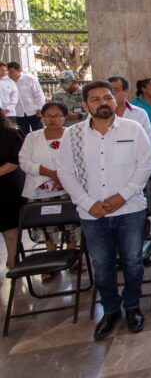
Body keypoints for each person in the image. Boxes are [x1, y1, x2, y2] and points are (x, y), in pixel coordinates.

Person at [56, 81, 151, 340]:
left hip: (129, 209)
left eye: (107, 98)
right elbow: (65, 172)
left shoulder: (133, 129)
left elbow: (144, 166)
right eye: (96, 99)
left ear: (116, 100)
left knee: (133, 262)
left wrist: (122, 196)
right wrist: (88, 203)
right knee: (102, 265)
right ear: (86, 104)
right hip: (92, 214)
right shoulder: (73, 135)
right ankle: (110, 310)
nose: (103, 103)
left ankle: (132, 306)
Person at [18, 101, 81, 281]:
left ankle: (73, 259)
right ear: (42, 117)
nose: (53, 119)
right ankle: (51, 263)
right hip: (42, 190)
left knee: (72, 226)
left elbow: (80, 159)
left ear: (65, 117)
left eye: (57, 116)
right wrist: (50, 174)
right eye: (48, 116)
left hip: (69, 188)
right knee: (48, 227)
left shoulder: (73, 135)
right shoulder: (32, 137)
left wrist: (64, 176)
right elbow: (24, 161)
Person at [0, 111, 24, 270]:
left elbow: (17, 160)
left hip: (8, 187)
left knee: (10, 228)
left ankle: (13, 261)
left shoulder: (11, 133)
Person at [108, 76, 151, 145]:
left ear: (126, 92)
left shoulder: (140, 114)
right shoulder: (98, 114)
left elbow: (148, 142)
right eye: (108, 91)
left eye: (115, 90)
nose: (111, 94)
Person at [7, 62, 45, 136]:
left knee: (38, 133)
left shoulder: (30, 79)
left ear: (19, 70)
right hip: (19, 114)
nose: (10, 74)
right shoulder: (7, 83)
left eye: (12, 72)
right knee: (23, 135)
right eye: (8, 72)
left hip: (34, 111)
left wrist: (40, 107)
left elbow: (39, 94)